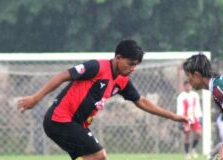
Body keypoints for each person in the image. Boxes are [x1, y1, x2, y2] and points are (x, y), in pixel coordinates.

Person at [17, 39, 189, 160]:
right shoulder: (97, 67)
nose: (133, 68)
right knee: (99, 155)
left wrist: (174, 116)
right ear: (118, 58)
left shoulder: (122, 81)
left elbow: (141, 101)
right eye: (131, 63)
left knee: (97, 157)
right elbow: (63, 75)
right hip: (59, 120)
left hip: (75, 124)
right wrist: (36, 98)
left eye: (136, 65)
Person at [176, 80, 202, 159]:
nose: (188, 87)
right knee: (187, 135)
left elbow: (197, 106)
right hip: (185, 118)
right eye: (186, 85)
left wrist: (200, 116)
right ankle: (187, 153)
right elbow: (179, 108)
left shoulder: (195, 95)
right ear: (184, 87)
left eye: (189, 85)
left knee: (198, 133)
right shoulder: (181, 96)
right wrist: (180, 119)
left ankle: (193, 149)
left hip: (194, 117)